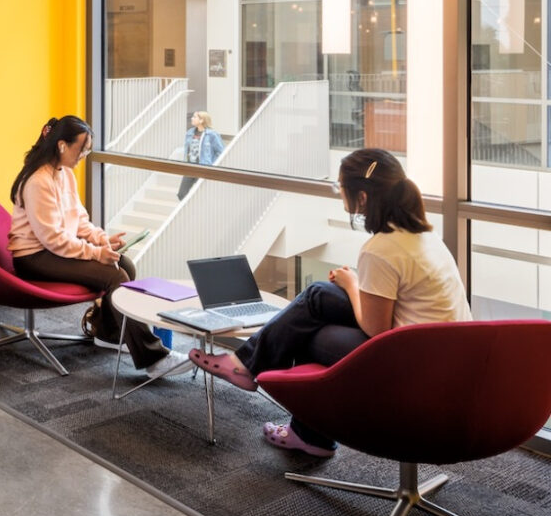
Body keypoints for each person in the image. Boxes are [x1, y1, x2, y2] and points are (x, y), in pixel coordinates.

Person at [189, 148, 472, 457]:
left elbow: (377, 329)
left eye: (341, 188)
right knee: (318, 295)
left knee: (310, 335)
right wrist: (354, 285)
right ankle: (250, 369)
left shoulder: (381, 248)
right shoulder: (424, 236)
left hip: (412, 365)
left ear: (362, 198)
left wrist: (352, 285)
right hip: (450, 359)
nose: (340, 196)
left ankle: (309, 435)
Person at [8, 116, 192, 378]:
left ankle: (109, 333)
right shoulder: (39, 181)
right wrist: (95, 253)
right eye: (81, 148)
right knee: (114, 275)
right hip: (34, 257)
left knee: (124, 263)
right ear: (62, 145)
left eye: (88, 149)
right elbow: (53, 239)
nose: (85, 154)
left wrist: (103, 240)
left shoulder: (65, 175)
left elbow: (79, 221)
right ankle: (153, 358)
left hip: (52, 250)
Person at [177, 111, 225, 200]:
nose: (192, 118)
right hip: (190, 168)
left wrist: (211, 164)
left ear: (202, 120)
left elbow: (221, 152)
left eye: (194, 117)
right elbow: (187, 150)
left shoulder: (212, 134)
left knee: (201, 196)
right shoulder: (190, 132)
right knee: (181, 194)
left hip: (203, 169)